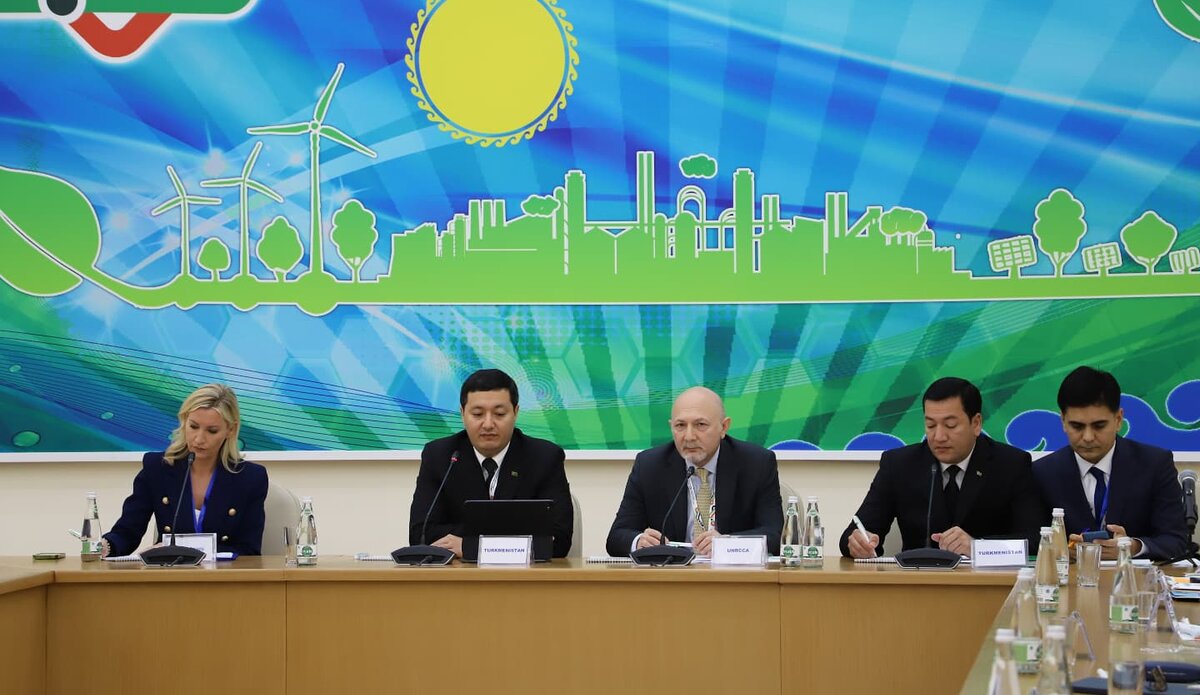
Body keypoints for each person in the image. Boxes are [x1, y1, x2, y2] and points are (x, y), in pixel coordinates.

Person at [840, 377, 1045, 558]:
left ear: (976, 423)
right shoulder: (899, 465)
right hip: (919, 583)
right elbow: (854, 534)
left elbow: (1037, 541)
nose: (938, 437)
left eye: (950, 425)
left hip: (987, 583)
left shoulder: (1011, 464)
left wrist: (978, 547)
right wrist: (859, 543)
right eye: (930, 425)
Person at [408, 368, 574, 558]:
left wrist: (472, 547)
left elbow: (559, 540)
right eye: (478, 414)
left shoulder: (544, 457)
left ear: (515, 412)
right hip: (458, 574)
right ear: (462, 414)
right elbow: (421, 534)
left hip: (525, 574)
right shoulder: (440, 456)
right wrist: (513, 534)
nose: (488, 424)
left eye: (499, 414)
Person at [606, 386, 783, 557]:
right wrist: (639, 541)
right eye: (680, 425)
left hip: (731, 572)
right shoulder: (649, 465)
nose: (689, 436)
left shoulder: (756, 463)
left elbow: (775, 535)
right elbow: (617, 536)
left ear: (723, 427)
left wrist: (728, 544)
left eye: (700, 425)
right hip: (672, 572)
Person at [1033, 366, 1187, 561]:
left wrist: (1133, 547)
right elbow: (1031, 540)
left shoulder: (1154, 464)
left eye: (1099, 426)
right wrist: (1058, 549)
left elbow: (1177, 540)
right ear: (1063, 421)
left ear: (1118, 419)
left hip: (1132, 578)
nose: (1088, 437)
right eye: (1077, 426)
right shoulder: (1042, 472)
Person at [103, 384, 268, 557]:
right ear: (184, 421)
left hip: (225, 572)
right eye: (193, 426)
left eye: (212, 431)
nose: (199, 439)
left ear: (231, 430)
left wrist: (187, 551)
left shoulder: (251, 478)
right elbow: (127, 532)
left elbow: (249, 549)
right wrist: (105, 546)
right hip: (169, 571)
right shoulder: (157, 468)